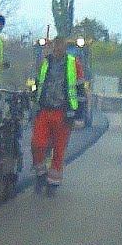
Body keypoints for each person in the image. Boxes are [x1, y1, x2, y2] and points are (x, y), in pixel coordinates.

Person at [31, 36, 79, 193]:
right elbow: (37, 83)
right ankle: (40, 174)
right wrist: (33, 100)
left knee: (59, 150)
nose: (57, 50)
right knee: (38, 144)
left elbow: (79, 89)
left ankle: (52, 183)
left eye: (60, 47)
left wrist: (77, 113)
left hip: (63, 113)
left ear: (65, 48)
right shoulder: (45, 62)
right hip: (44, 110)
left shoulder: (73, 63)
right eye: (55, 47)